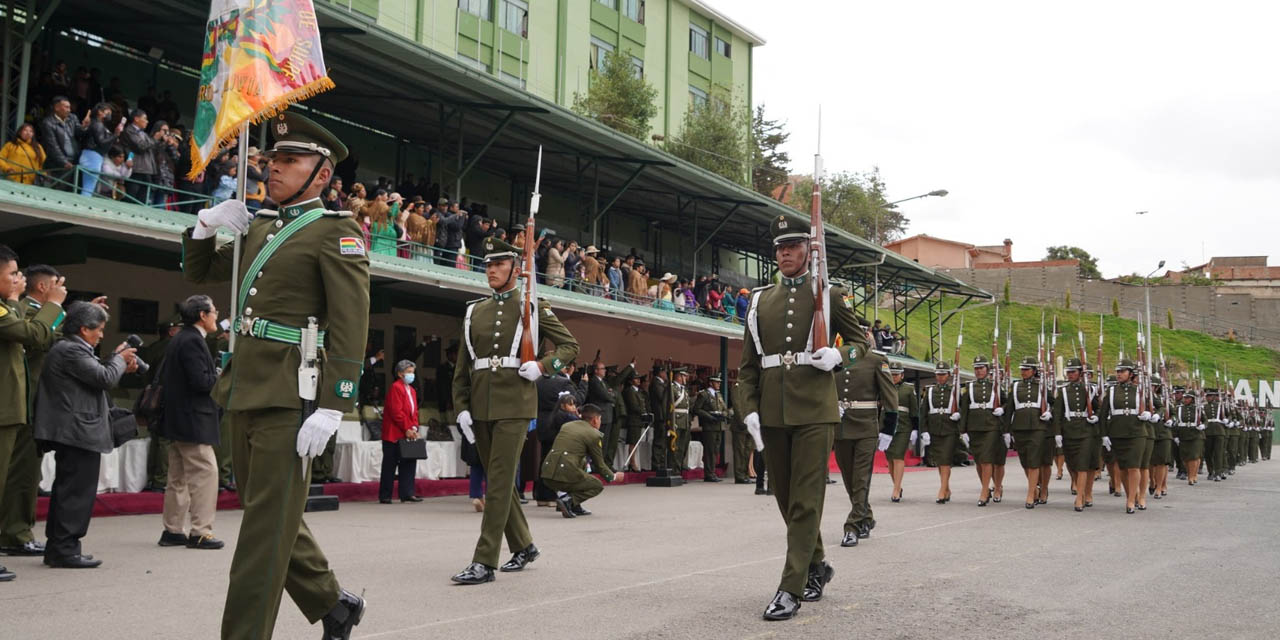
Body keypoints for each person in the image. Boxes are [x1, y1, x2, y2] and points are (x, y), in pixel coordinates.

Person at [182, 111, 368, 638]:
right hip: (243, 388)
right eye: (271, 160)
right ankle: (333, 604)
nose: (274, 169)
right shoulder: (257, 226)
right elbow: (199, 271)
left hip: (292, 395)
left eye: (290, 161)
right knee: (271, 514)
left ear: (322, 174)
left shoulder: (337, 232)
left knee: (262, 533)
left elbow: (352, 322)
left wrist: (335, 403)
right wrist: (205, 224)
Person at [737, 215, 868, 621]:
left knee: (806, 500)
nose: (785, 253)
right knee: (783, 496)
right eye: (779, 248)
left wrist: (839, 355)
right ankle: (818, 565)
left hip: (815, 409)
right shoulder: (760, 300)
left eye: (793, 246)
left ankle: (790, 587)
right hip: (774, 411)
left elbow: (866, 342)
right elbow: (747, 367)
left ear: (809, 250)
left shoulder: (827, 293)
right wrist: (749, 409)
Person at [450, 237, 579, 586]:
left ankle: (484, 560)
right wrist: (461, 408)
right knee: (499, 481)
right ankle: (524, 545)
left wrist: (543, 365)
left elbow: (570, 345)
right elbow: (464, 367)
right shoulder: (474, 311)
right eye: (487, 265)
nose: (490, 270)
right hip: (481, 406)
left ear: (515, 269)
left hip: (515, 405)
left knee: (501, 480)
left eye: (499, 265)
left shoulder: (532, 305)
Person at [33, 302, 137, 568]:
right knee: (76, 494)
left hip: (76, 431)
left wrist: (117, 361)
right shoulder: (71, 349)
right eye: (99, 330)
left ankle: (62, 547)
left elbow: (96, 376)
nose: (101, 335)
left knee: (69, 492)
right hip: (77, 432)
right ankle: (65, 549)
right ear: (83, 329)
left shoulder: (73, 349)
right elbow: (103, 378)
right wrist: (119, 360)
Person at [0, 249, 66, 577]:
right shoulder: (15, 308)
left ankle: (16, 532)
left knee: (23, 474)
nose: (19, 280)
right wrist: (54, 306)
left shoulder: (11, 307)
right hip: (10, 406)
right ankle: (14, 532)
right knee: (18, 475)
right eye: (12, 275)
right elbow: (38, 336)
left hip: (20, 405)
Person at [156, 295, 224, 550]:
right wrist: (220, 375)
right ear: (203, 316)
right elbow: (201, 382)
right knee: (206, 474)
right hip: (194, 420)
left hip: (178, 418)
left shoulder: (180, 339)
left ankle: (172, 530)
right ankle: (200, 531)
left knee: (178, 477)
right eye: (214, 311)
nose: (217, 315)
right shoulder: (193, 341)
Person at [832, 339, 897, 547]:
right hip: (841, 427)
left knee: (860, 478)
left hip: (866, 427)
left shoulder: (876, 360)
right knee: (849, 479)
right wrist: (831, 407)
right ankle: (866, 516)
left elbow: (890, 395)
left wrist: (888, 428)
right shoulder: (835, 357)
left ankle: (852, 526)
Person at [542, 403, 623, 518]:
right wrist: (613, 477)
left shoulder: (567, 426)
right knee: (596, 485)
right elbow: (600, 464)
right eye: (600, 419)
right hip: (564, 474)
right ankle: (568, 501)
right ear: (595, 420)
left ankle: (575, 505)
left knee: (582, 461)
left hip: (547, 473)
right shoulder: (593, 434)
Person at [1099, 359, 1148, 514]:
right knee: (1123, 468)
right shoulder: (1112, 391)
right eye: (1118, 371)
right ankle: (1131, 495)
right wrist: (1104, 434)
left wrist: (1152, 414)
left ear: (1131, 374)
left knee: (1134, 466)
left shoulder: (1140, 390)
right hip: (1117, 433)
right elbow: (1103, 414)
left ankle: (1131, 500)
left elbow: (1160, 406)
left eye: (1122, 371)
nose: (1119, 374)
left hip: (1137, 432)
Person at [1005, 356, 1054, 509]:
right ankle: (1036, 488)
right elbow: (1010, 409)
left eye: (1026, 369)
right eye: (1022, 369)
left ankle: (1031, 493)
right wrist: (1006, 430)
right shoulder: (1015, 386)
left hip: (1037, 426)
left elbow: (1054, 403)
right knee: (1025, 460)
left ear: (1034, 371)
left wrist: (1050, 412)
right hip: (1019, 426)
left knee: (1033, 460)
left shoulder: (1042, 386)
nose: (1023, 372)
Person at [1052, 358, 1100, 511]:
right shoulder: (1063, 391)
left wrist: (1096, 416)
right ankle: (1083, 490)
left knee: (1083, 465)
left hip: (1086, 430)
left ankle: (1081, 496)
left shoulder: (1091, 389)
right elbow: (1058, 413)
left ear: (1081, 373)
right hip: (1069, 429)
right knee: (1072, 464)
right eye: (1068, 372)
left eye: (1073, 372)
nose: (1070, 374)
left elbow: (1099, 408)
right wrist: (1057, 433)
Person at [960, 355, 1005, 506]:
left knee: (986, 460)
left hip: (991, 426)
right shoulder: (969, 387)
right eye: (976, 368)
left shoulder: (996, 386)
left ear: (987, 369)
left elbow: (1007, 404)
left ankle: (986, 491)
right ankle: (987, 487)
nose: (978, 371)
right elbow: (964, 410)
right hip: (975, 427)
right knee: (979, 461)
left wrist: (1002, 409)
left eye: (981, 368)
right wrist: (963, 430)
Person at [380, 360, 423, 504]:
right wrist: (407, 429)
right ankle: (385, 495)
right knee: (390, 464)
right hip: (394, 433)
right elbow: (396, 412)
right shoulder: (396, 388)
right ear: (400, 374)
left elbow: (414, 412)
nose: (412, 375)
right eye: (409, 372)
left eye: (413, 372)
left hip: (408, 431)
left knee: (409, 462)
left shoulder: (412, 390)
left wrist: (414, 428)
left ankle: (407, 493)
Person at [920, 362, 957, 503]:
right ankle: (946, 488)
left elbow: (961, 408)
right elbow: (923, 412)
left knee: (946, 459)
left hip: (949, 429)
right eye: (938, 374)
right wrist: (924, 431)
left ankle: (942, 490)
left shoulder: (954, 391)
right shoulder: (929, 391)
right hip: (935, 429)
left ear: (948, 375)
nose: (940, 377)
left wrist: (958, 418)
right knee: (940, 461)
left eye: (943, 374)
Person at [588, 357, 635, 467]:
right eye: (602, 368)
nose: (605, 370)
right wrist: (611, 395)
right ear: (596, 370)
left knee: (606, 443)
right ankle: (597, 466)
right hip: (601, 416)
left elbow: (609, 394)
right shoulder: (595, 381)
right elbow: (605, 395)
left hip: (608, 415)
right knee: (600, 443)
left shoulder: (603, 382)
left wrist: (610, 394)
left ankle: (603, 466)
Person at [884, 363, 918, 502]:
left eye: (896, 374)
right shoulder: (884, 387)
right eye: (891, 374)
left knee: (898, 456)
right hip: (887, 427)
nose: (893, 377)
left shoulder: (908, 389)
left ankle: (896, 489)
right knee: (890, 458)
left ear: (902, 375)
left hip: (903, 426)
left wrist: (916, 429)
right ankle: (897, 485)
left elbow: (914, 410)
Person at [38, 96, 85, 188]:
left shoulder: (72, 118)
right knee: (57, 189)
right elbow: (52, 145)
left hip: (73, 162)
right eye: (66, 107)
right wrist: (63, 162)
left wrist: (85, 127)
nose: (69, 110)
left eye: (69, 107)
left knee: (70, 191)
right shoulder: (48, 122)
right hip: (58, 164)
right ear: (57, 108)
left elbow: (80, 133)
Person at [693, 373, 728, 482]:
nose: (718, 384)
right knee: (709, 450)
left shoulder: (719, 395)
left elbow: (724, 408)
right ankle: (709, 473)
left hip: (718, 426)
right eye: (716, 382)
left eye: (719, 382)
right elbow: (697, 409)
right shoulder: (704, 394)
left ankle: (712, 472)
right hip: (709, 426)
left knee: (715, 450)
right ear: (711, 383)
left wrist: (724, 414)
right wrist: (710, 416)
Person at [622, 372, 649, 472]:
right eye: (635, 378)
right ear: (630, 381)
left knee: (636, 442)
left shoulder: (638, 391)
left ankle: (632, 462)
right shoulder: (629, 391)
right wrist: (643, 413)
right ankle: (632, 462)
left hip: (639, 420)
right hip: (633, 419)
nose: (638, 380)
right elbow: (633, 405)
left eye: (638, 378)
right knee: (633, 442)